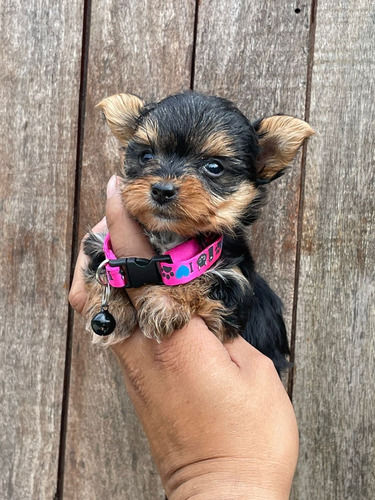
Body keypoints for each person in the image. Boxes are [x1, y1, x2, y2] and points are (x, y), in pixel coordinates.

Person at [69, 176, 299, 499]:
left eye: (214, 167)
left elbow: (226, 298)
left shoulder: (230, 269)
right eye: (148, 156)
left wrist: (210, 473)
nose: (166, 183)